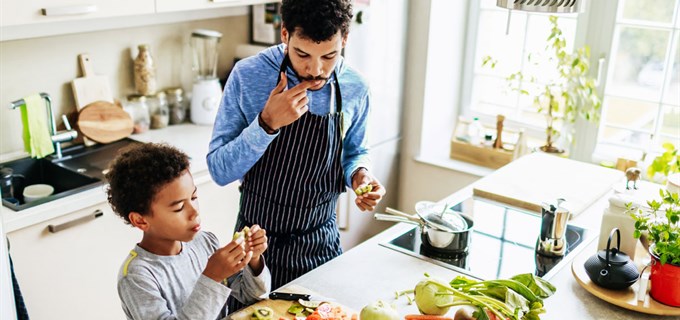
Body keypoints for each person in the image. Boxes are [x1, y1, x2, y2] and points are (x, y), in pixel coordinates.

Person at [207, 0, 385, 293]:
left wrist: (360, 175)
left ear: (345, 40)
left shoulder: (356, 86)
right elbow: (219, 170)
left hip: (320, 244)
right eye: (303, 54)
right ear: (285, 34)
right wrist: (266, 124)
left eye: (330, 56)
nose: (315, 70)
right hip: (255, 248)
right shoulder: (248, 75)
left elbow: (355, 152)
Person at [106, 143, 270, 320]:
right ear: (140, 220)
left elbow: (252, 297)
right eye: (178, 208)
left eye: (194, 197)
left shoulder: (205, 242)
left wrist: (253, 260)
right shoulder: (137, 276)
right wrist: (212, 277)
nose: (194, 212)